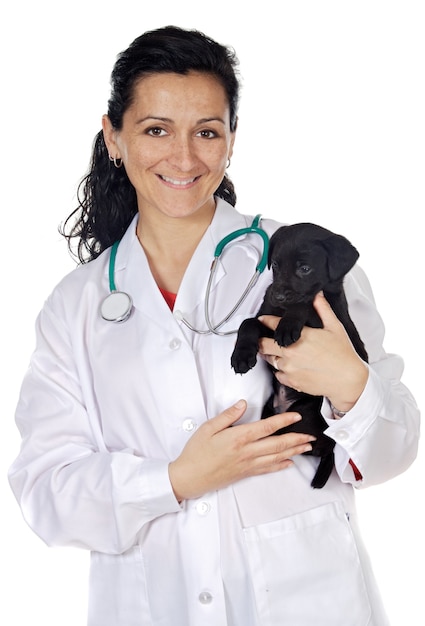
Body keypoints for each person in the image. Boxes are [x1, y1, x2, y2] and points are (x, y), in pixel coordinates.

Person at [8, 25, 420, 626]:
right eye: (155, 130)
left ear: (231, 141)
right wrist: (175, 479)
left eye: (207, 131)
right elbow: (46, 494)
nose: (183, 157)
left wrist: (351, 385)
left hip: (308, 600)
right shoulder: (75, 307)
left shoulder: (301, 257)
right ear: (113, 136)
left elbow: (395, 451)